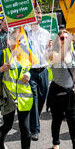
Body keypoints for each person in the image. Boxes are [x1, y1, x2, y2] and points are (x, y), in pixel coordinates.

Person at [0, 29, 33, 149]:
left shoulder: (25, 55)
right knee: (7, 125)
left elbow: (29, 70)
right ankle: (0, 142)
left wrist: (28, 75)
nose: (18, 43)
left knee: (26, 129)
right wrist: (2, 68)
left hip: (24, 97)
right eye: (16, 40)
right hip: (8, 98)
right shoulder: (2, 54)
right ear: (9, 41)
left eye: (21, 40)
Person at [48, 29, 75, 149]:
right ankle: (55, 143)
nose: (65, 40)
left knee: (73, 120)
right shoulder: (53, 53)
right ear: (58, 40)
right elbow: (58, 58)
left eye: (67, 38)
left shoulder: (74, 54)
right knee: (57, 119)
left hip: (70, 90)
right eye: (62, 38)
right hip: (57, 90)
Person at [25, 8, 52, 141]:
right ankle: (35, 129)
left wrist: (51, 47)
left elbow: (48, 53)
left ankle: (33, 118)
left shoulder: (46, 33)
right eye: (36, 15)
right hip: (30, 71)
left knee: (42, 96)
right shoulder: (24, 32)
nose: (39, 17)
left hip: (43, 70)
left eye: (40, 15)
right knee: (34, 98)